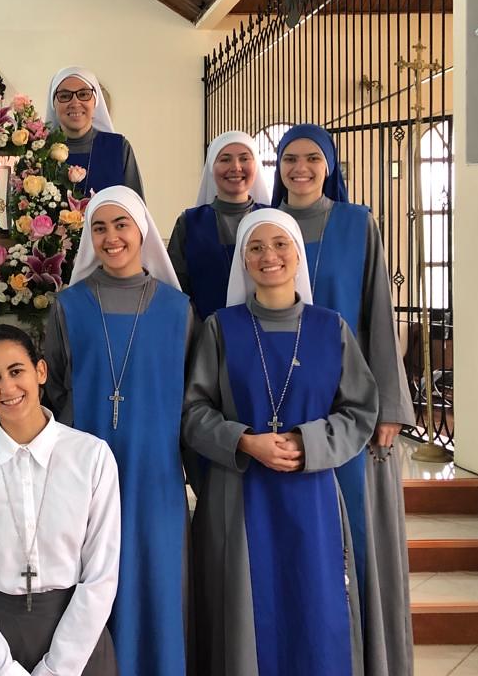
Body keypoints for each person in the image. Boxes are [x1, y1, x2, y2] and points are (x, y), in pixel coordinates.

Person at [183, 209, 378, 676]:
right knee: (245, 612)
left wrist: (306, 442)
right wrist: (246, 442)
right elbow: (192, 413)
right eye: (255, 247)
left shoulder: (331, 328)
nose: (268, 256)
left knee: (315, 602)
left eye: (280, 245)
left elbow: (360, 411)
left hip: (310, 495)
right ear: (244, 261)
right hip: (239, 492)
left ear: (297, 255)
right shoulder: (219, 327)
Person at [272, 124, 415, 676]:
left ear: (330, 165)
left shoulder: (358, 224)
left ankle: (364, 659)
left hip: (349, 406)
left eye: (312, 158)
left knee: (356, 540)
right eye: (289, 158)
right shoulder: (270, 226)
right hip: (279, 403)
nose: (300, 168)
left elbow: (378, 312)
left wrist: (389, 406)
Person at [42, 186, 192, 676]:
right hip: (83, 478)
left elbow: (196, 397)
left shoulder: (179, 309)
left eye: (121, 225)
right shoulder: (68, 306)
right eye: (99, 228)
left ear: (142, 230)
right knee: (88, 587)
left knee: (156, 582)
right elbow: (54, 389)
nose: (111, 238)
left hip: (155, 477)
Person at [0, 324, 121, 675]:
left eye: (17, 371)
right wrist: (1, 670)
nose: (8, 387)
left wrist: (58, 669)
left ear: (41, 371)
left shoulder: (91, 457)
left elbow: (100, 576)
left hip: (76, 644)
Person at [167, 130, 271, 319]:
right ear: (211, 168)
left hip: (265, 334)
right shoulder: (189, 223)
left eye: (244, 158)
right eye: (225, 159)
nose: (236, 167)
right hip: (205, 335)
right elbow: (176, 288)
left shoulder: (272, 220)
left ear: (256, 165)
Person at [44, 66, 143, 196]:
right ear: (54, 104)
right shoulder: (39, 152)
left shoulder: (119, 148)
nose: (75, 102)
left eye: (83, 94)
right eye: (64, 96)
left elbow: (135, 209)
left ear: (95, 101)